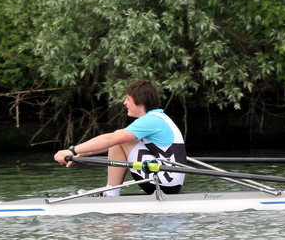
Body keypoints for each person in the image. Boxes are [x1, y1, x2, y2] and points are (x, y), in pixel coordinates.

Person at [53, 80, 186, 196]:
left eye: (128, 99)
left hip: (165, 182)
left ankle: (110, 195)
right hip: (170, 181)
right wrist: (81, 154)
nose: (124, 103)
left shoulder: (150, 121)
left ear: (139, 102)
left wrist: (72, 150)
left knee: (118, 139)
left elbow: (110, 140)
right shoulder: (159, 118)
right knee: (120, 138)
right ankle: (110, 193)